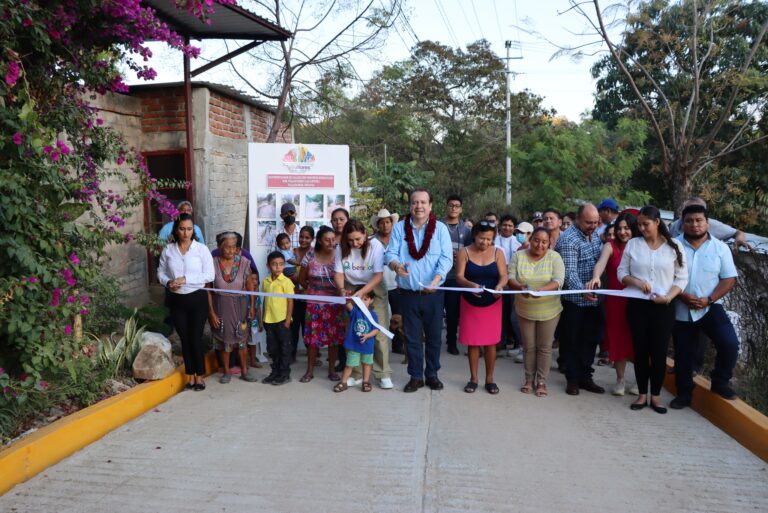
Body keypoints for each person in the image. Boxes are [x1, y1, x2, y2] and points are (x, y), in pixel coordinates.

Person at [618, 205, 688, 414]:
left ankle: (655, 396)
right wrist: (638, 283)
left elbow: (682, 278)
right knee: (640, 351)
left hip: (663, 307)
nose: (641, 228)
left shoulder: (674, 246)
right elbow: (622, 272)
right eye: (639, 224)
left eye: (645, 224)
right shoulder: (633, 244)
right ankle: (641, 394)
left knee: (658, 352)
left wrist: (668, 297)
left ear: (657, 222)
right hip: (637, 306)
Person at [671, 204, 740, 408]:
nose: (694, 224)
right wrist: (681, 295)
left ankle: (719, 381)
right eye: (689, 221)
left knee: (729, 344)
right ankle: (683, 395)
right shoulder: (672, 246)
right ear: (682, 224)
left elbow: (728, 279)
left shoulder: (720, 248)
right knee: (683, 354)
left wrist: (708, 299)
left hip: (711, 306)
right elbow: (663, 277)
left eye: (699, 220)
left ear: (707, 223)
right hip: (681, 305)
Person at [385, 189, 453, 393]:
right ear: (410, 206)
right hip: (408, 294)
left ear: (430, 206)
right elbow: (390, 253)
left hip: (433, 294)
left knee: (433, 337)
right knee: (412, 338)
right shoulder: (399, 228)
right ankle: (415, 376)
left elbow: (446, 258)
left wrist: (437, 279)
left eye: (423, 202)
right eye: (415, 202)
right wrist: (396, 266)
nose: (419, 206)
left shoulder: (440, 229)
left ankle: (432, 374)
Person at [157, 213, 214, 391]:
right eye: (182, 229)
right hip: (176, 299)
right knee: (184, 338)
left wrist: (184, 279)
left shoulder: (201, 250)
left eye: (189, 229)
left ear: (193, 230)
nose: (185, 233)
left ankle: (200, 375)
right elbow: (161, 272)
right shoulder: (168, 250)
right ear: (176, 229)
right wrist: (168, 282)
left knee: (195, 337)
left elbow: (209, 275)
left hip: (197, 298)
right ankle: (190, 375)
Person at [333, 219, 392, 389]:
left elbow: (378, 275)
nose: (355, 243)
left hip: (374, 287)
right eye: (350, 240)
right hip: (351, 286)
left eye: (358, 239)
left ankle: (383, 373)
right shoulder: (341, 248)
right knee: (355, 329)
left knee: (378, 330)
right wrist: (342, 289)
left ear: (365, 234)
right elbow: (338, 273)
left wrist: (364, 292)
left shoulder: (376, 246)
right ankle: (357, 374)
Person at [587, 212, 640, 396]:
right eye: (620, 228)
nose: (623, 232)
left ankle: (639, 380)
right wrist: (595, 276)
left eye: (627, 228)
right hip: (616, 301)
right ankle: (620, 380)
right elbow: (601, 263)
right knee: (618, 340)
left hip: (638, 301)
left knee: (637, 342)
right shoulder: (610, 246)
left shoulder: (642, 246)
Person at [508, 227, 565, 397]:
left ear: (549, 243)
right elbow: (510, 278)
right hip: (524, 309)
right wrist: (520, 287)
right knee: (529, 347)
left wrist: (541, 291)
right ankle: (528, 379)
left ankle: (541, 381)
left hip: (549, 311)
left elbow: (558, 280)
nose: (540, 245)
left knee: (545, 347)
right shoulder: (518, 256)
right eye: (536, 240)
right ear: (530, 239)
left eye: (544, 242)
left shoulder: (554, 257)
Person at [555, 204, 604, 396]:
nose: (593, 226)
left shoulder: (595, 236)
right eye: (588, 222)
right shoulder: (569, 240)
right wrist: (582, 290)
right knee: (572, 341)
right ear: (577, 219)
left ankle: (586, 376)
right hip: (575, 302)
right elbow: (569, 274)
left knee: (591, 340)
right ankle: (573, 379)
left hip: (594, 300)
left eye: (595, 222)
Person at [454, 220, 507, 394]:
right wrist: (470, 285)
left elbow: (504, 276)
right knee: (473, 342)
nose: (485, 242)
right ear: (474, 235)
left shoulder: (499, 253)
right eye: (481, 238)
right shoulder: (464, 252)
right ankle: (473, 378)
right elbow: (459, 277)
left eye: (489, 239)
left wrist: (500, 286)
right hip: (470, 302)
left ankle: (490, 379)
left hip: (493, 302)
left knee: (491, 342)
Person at [208, 232, 259, 384]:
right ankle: (226, 371)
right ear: (219, 247)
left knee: (242, 339)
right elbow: (208, 290)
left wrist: (252, 307)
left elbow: (250, 285)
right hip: (221, 307)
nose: (231, 251)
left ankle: (244, 371)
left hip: (240, 306)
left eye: (234, 247)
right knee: (225, 341)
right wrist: (211, 312)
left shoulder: (243, 262)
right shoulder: (213, 263)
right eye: (227, 247)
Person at [298, 226, 345, 382]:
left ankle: (332, 370)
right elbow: (301, 279)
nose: (331, 242)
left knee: (333, 338)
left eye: (333, 239)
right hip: (314, 304)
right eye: (327, 239)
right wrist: (313, 290)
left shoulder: (339, 253)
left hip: (335, 303)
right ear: (319, 240)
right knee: (312, 339)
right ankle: (309, 371)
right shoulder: (310, 254)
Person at [442, 195, 473, 355]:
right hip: (438, 276)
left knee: (453, 312)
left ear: (461, 209)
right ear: (446, 207)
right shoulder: (438, 226)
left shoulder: (466, 230)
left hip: (456, 277)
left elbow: (470, 252)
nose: (454, 208)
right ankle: (431, 338)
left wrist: (460, 257)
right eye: (451, 205)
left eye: (457, 206)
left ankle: (451, 342)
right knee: (435, 311)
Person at [371, 208, 404, 355]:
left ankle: (398, 345)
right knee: (380, 315)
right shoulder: (371, 241)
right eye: (382, 222)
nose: (385, 225)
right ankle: (380, 347)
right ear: (377, 225)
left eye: (387, 222)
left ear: (392, 223)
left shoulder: (399, 240)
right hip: (378, 284)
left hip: (396, 283)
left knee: (398, 316)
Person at [333, 291, 380, 393]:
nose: (362, 302)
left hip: (367, 345)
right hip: (354, 345)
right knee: (349, 365)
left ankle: (366, 382)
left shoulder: (373, 315)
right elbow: (348, 303)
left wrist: (367, 335)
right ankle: (344, 382)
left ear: (371, 300)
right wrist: (346, 296)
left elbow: (376, 329)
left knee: (367, 364)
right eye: (360, 299)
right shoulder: (355, 312)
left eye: (365, 299)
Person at [261, 251, 295, 386]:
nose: (278, 267)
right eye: (274, 264)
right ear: (268, 265)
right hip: (268, 321)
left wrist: (288, 320)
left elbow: (290, 301)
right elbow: (265, 300)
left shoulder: (286, 282)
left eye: (281, 264)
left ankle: (284, 373)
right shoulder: (266, 281)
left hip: (282, 321)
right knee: (272, 348)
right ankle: (274, 372)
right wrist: (263, 317)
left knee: (284, 348)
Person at [668, 196, 751, 250]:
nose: (694, 224)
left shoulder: (713, 225)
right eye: (689, 211)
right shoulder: (675, 226)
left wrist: (739, 240)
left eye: (697, 212)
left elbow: (738, 232)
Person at [495, 215, 523, 355]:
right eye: (505, 225)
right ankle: (501, 341)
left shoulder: (518, 243)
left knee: (513, 313)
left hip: (513, 282)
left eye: (510, 225)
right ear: (500, 226)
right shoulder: (494, 241)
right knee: (501, 314)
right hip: (498, 280)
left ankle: (517, 343)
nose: (507, 228)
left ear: (514, 228)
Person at [289, 226, 314, 362]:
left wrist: (300, 279)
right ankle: (292, 354)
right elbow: (286, 271)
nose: (303, 240)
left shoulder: (314, 253)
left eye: (307, 237)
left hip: (308, 297)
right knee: (293, 326)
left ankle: (312, 355)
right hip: (293, 295)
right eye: (301, 237)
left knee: (307, 326)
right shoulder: (292, 252)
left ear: (312, 239)